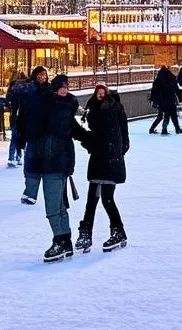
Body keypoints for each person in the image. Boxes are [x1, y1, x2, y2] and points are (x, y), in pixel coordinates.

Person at [17, 73, 88, 262]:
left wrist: (92, 140)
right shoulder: (47, 109)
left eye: (66, 87)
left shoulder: (62, 112)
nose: (64, 90)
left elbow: (75, 131)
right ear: (55, 89)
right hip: (48, 162)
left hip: (57, 164)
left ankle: (60, 241)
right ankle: (64, 241)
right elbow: (29, 122)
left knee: (53, 206)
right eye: (61, 87)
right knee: (58, 205)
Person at [76, 83, 129, 253]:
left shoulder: (112, 111)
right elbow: (95, 137)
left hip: (110, 161)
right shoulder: (93, 111)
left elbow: (117, 135)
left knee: (107, 198)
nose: (100, 95)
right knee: (91, 199)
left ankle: (118, 231)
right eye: (97, 93)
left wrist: (118, 151)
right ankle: (86, 233)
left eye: (102, 92)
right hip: (99, 160)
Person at [17, 66, 50, 201]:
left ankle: (52, 195)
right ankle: (30, 192)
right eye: (40, 74)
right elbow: (23, 114)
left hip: (48, 134)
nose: (42, 77)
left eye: (44, 74)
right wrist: (21, 135)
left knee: (48, 165)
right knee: (31, 163)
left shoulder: (51, 91)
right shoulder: (29, 91)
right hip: (32, 134)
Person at [149, 65, 182, 135]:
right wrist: (180, 95)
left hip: (161, 100)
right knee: (172, 114)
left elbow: (154, 90)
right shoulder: (171, 77)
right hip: (170, 99)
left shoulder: (158, 79)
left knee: (161, 115)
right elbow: (176, 88)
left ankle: (153, 129)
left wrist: (153, 99)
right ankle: (171, 129)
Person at [4, 71, 28, 168]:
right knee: (22, 136)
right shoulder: (27, 87)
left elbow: (7, 101)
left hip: (15, 115)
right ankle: (19, 156)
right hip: (23, 116)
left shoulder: (13, 87)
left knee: (14, 137)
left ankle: (12, 157)